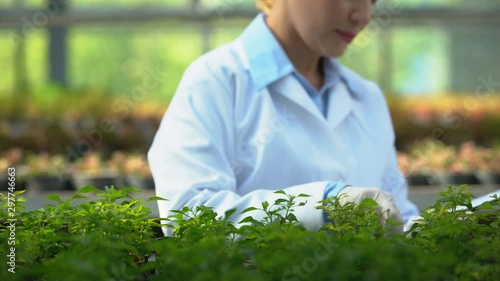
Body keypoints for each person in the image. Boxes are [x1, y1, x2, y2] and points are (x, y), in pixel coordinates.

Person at [148, 0, 419, 235]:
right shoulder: (216, 81)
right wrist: (322, 207)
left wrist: (439, 228)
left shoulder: (366, 97)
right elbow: (190, 215)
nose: (362, 15)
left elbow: (397, 217)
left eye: (372, 0)